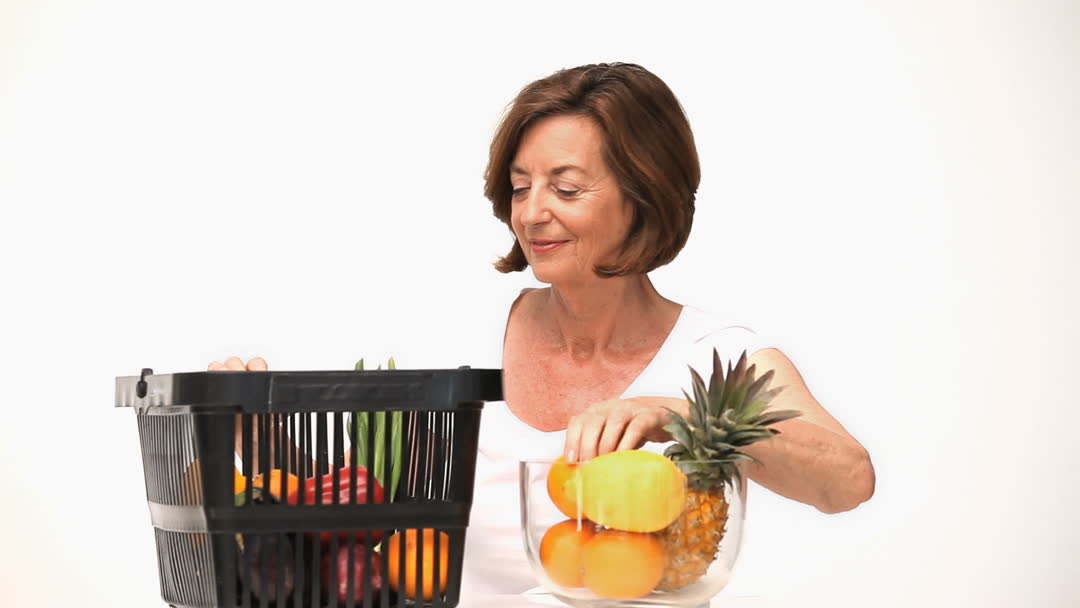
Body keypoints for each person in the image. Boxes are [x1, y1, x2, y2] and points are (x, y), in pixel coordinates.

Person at [211, 62, 875, 600]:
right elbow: (372, 517)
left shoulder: (718, 357)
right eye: (521, 186)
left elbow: (848, 480)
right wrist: (267, 449)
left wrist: (678, 415)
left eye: (567, 188)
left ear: (645, 195)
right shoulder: (462, 338)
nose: (531, 213)